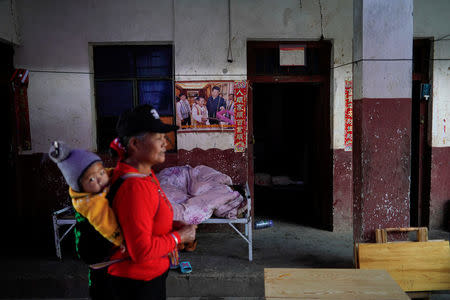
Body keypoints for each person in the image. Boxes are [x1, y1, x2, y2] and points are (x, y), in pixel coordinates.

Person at [107, 104, 197, 300]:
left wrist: (173, 226)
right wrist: (178, 237)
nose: (165, 143)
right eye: (158, 138)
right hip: (136, 286)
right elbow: (141, 251)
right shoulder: (134, 187)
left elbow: (146, 219)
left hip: (149, 278)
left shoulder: (146, 176)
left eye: (164, 137)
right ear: (135, 144)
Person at [48, 141, 124, 299]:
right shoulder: (90, 203)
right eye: (91, 180)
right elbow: (107, 225)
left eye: (101, 173)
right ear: (79, 187)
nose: (99, 179)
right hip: (100, 265)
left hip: (106, 263)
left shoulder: (104, 180)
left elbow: (112, 173)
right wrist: (120, 240)